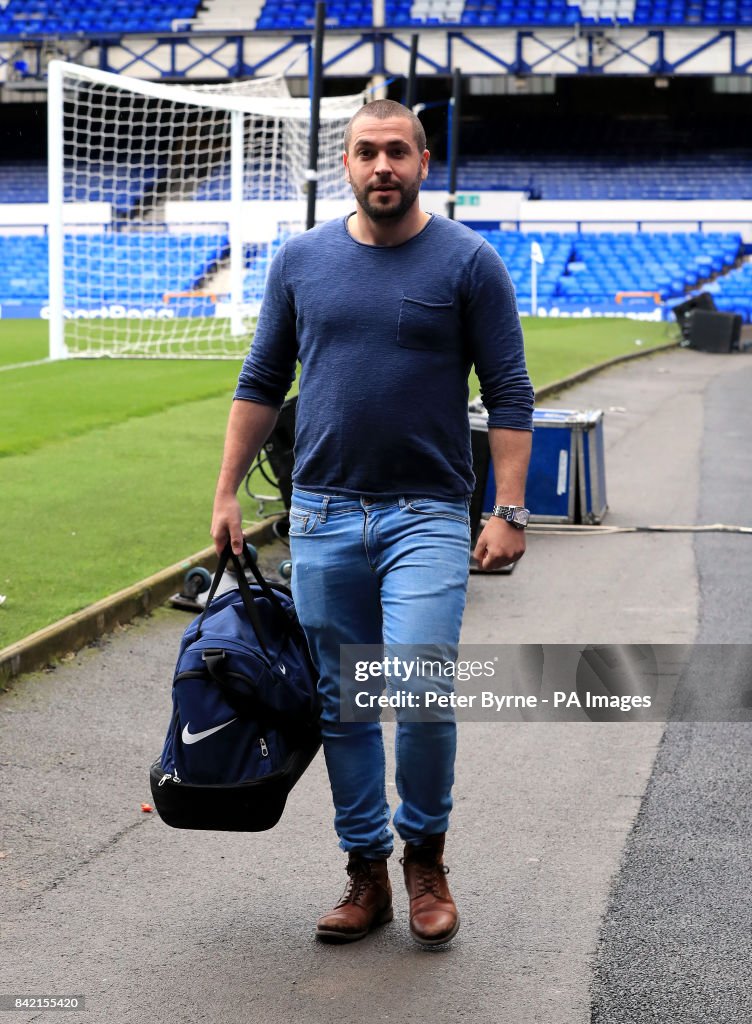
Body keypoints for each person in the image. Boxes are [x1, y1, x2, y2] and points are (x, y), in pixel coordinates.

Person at [211, 98, 534, 946]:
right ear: (346, 165)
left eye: (397, 151)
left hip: (426, 512)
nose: (381, 165)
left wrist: (506, 509)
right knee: (344, 706)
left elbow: (509, 391)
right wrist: (225, 493)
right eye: (366, 152)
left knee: (421, 690)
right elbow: (259, 378)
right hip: (318, 515)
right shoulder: (301, 260)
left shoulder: (469, 260)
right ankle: (366, 873)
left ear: (424, 162)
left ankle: (425, 855)